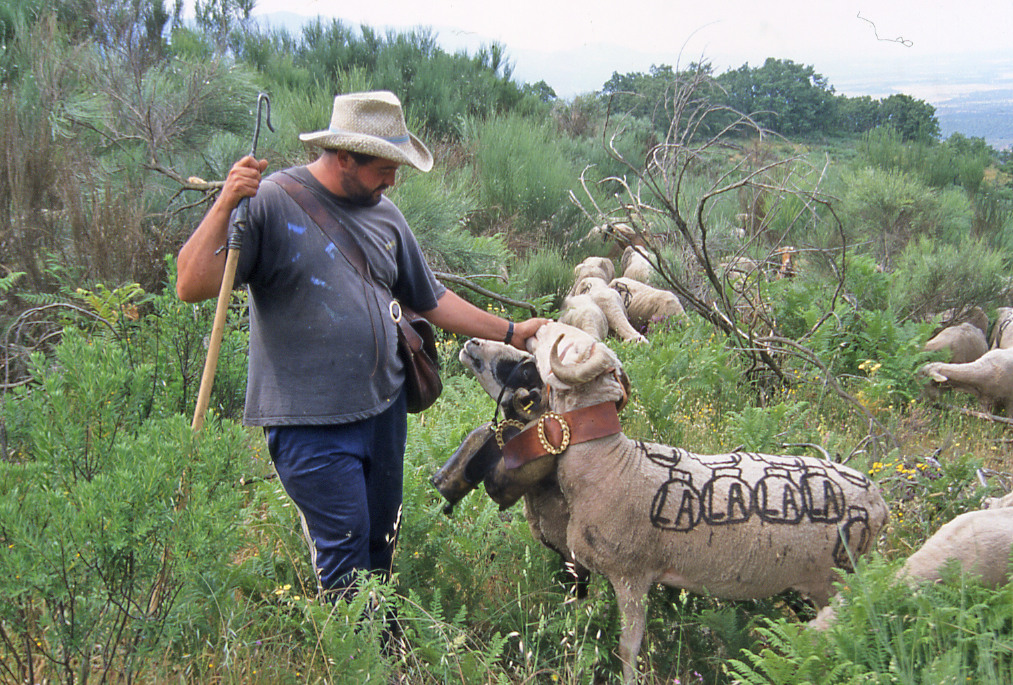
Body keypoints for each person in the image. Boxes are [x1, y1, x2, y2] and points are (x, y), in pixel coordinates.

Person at [176, 90, 549, 596]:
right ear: (345, 157)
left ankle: (381, 635)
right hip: (311, 426)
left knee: (380, 544)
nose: (393, 179)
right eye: (385, 167)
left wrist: (510, 331)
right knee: (345, 559)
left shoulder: (386, 215)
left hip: (383, 412)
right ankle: (353, 640)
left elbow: (433, 298)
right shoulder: (270, 203)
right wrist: (225, 204)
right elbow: (191, 284)